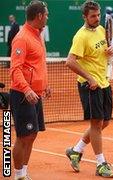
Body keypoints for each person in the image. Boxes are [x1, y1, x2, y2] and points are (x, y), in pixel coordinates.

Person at [65, 0, 113, 178]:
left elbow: (106, 51)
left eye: (98, 15)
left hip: (104, 82)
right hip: (90, 85)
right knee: (96, 123)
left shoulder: (102, 30)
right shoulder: (81, 36)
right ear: (85, 17)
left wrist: (111, 51)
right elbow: (70, 61)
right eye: (93, 16)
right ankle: (101, 164)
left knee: (104, 122)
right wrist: (89, 78)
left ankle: (76, 150)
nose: (97, 18)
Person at [9, 1, 51, 180]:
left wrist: (45, 85)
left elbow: (39, 64)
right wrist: (26, 90)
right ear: (39, 16)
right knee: (23, 136)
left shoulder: (38, 35)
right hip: (22, 95)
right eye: (46, 14)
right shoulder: (22, 37)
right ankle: (18, 175)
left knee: (32, 134)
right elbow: (15, 69)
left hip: (36, 94)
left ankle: (23, 173)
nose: (48, 17)